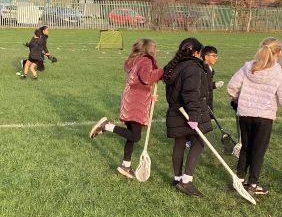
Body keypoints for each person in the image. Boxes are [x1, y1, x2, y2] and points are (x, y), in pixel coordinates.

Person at [89, 38, 164, 179]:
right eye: (155, 47)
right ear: (149, 49)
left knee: (131, 134)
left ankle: (126, 165)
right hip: (136, 102)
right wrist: (162, 72)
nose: (156, 50)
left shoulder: (137, 60)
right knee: (135, 136)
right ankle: (106, 126)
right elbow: (146, 78)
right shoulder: (146, 61)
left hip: (132, 98)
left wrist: (149, 95)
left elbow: (138, 81)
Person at [227, 37, 282, 195]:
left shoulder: (248, 67)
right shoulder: (280, 74)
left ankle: (239, 179)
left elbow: (232, 88)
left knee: (246, 147)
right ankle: (252, 184)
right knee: (258, 151)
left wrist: (237, 100)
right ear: (278, 53)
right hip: (264, 117)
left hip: (245, 114)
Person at [163, 37, 212, 197]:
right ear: (196, 52)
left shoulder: (173, 65)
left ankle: (177, 179)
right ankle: (185, 181)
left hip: (176, 111)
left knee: (180, 143)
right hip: (187, 112)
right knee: (199, 142)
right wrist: (194, 116)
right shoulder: (193, 68)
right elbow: (191, 93)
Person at [201, 45, 224, 113]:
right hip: (202, 105)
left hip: (208, 103)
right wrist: (214, 85)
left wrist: (214, 85)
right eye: (214, 56)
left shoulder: (210, 69)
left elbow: (206, 84)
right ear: (206, 57)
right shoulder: (202, 70)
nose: (216, 58)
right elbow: (201, 86)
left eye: (216, 56)